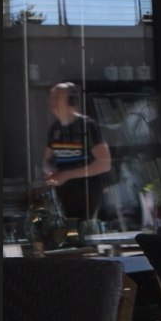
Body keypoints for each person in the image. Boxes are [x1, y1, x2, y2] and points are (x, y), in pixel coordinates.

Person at [41, 81, 114, 222]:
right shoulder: (55, 128)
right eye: (51, 98)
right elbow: (47, 161)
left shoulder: (87, 126)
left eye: (57, 97)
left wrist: (66, 175)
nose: (52, 101)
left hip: (87, 195)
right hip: (62, 197)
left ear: (71, 100)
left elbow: (104, 164)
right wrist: (50, 171)